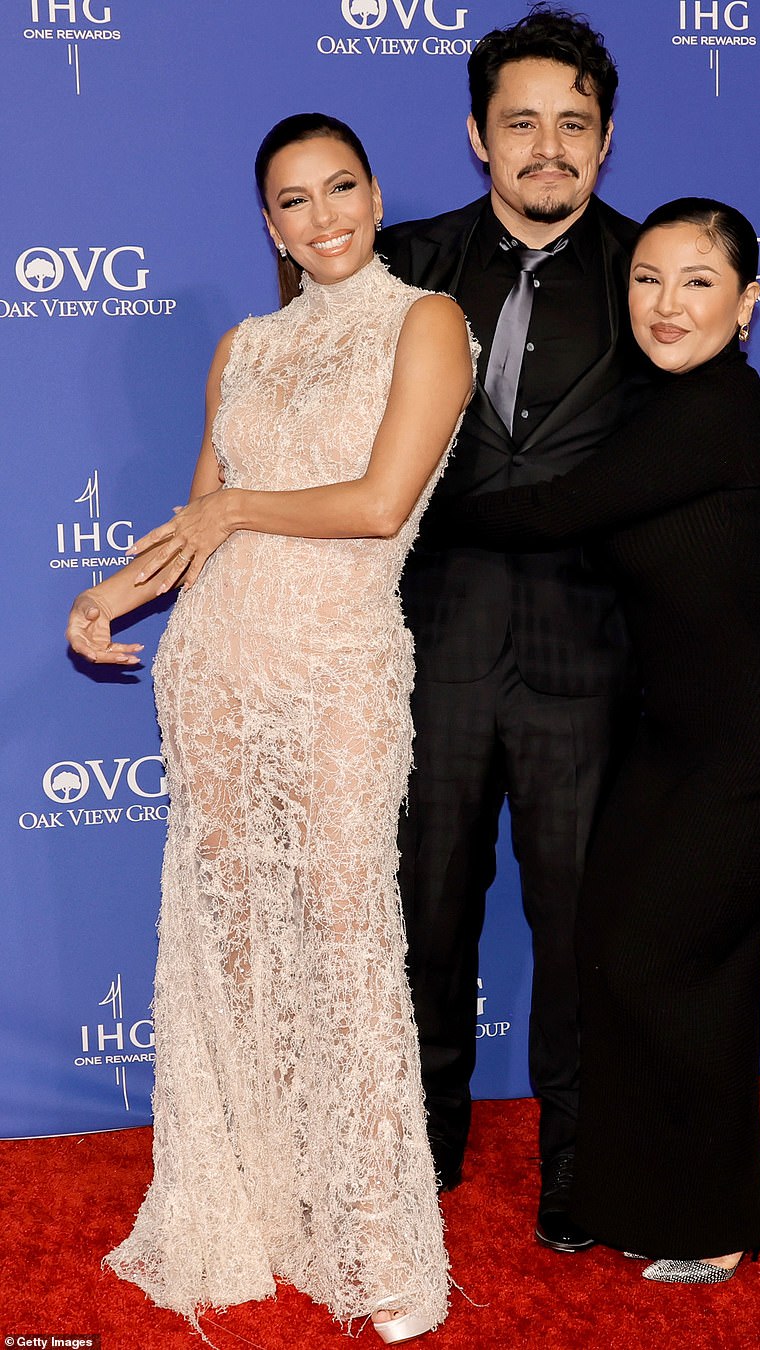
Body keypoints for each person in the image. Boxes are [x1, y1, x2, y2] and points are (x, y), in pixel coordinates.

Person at [379, 5, 760, 1253]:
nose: (546, 147)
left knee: (589, 939)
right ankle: (418, 1158)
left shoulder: (660, 272)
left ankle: (585, 1181)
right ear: (477, 134)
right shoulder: (398, 262)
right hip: (435, 651)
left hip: (596, 670)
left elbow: (749, 442)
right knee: (421, 918)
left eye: (572, 125)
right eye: (520, 122)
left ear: (606, 139)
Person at [65, 113, 475, 1344]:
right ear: (268, 224)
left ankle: (374, 1243)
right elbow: (204, 519)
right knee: (235, 942)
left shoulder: (426, 321)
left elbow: (378, 502)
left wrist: (236, 502)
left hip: (336, 662)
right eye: (291, 202)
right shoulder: (241, 346)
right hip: (218, 669)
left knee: (347, 939)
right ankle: (256, 1207)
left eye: (339, 188)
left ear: (375, 188)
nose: (322, 217)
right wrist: (114, 591)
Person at [434, 197, 760, 1281]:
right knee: (633, 955)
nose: (666, 305)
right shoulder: (661, 405)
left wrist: (395, 504)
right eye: (648, 280)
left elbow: (546, 512)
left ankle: (719, 1211)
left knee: (654, 963)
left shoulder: (719, 410)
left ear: (746, 305)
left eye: (698, 282)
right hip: (671, 740)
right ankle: (671, 1189)